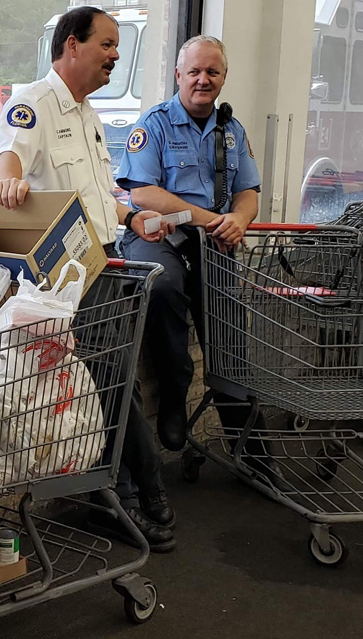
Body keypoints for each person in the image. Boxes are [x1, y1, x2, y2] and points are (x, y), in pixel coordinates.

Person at [0, 6, 177, 552]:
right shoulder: (34, 104)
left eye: (117, 47)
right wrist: (8, 183)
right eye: (107, 44)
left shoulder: (88, 114)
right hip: (68, 274)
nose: (115, 55)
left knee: (116, 381)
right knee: (111, 379)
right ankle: (141, 492)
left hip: (105, 261)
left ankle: (121, 495)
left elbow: (95, 196)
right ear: (72, 44)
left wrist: (131, 216)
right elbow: (6, 159)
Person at [116, 36, 289, 489]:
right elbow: (143, 194)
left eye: (212, 72)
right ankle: (175, 398)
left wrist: (239, 220)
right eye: (193, 71)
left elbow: (247, 192)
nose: (202, 79)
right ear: (178, 75)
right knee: (163, 285)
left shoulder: (233, 131)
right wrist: (214, 219)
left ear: (223, 77)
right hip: (159, 237)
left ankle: (252, 452)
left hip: (212, 244)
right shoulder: (153, 125)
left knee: (229, 340)